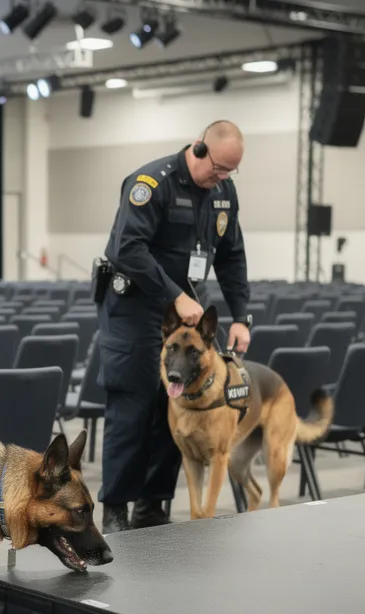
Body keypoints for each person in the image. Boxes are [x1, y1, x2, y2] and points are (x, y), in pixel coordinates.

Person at [96, 120, 253, 532]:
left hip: (182, 315)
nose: (219, 179)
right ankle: (115, 509)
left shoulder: (222, 192)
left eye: (228, 173)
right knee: (133, 407)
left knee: (177, 404)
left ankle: (153, 504)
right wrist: (175, 295)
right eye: (217, 169)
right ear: (199, 149)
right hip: (133, 308)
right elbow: (126, 248)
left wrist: (241, 316)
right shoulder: (152, 182)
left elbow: (231, 255)